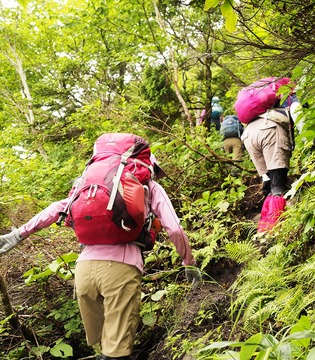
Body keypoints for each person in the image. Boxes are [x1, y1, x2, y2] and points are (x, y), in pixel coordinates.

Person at [0, 139, 201, 360]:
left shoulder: (89, 185)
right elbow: (175, 229)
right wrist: (189, 263)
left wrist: (18, 234)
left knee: (105, 345)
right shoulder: (149, 186)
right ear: (149, 167)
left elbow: (56, 209)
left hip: (84, 273)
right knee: (117, 353)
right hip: (121, 270)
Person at [240, 90, 301, 233]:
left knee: (269, 183)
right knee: (278, 187)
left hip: (249, 134)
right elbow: (298, 115)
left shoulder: (260, 106)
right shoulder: (289, 95)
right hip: (269, 130)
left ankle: (264, 227)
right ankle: (275, 229)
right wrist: (309, 141)